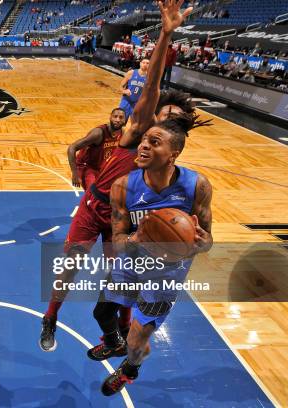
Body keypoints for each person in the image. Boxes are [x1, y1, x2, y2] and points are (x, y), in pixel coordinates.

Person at [39, 0, 196, 354]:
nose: (161, 118)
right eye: (161, 112)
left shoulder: (169, 161)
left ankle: (119, 336)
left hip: (122, 220)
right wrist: (165, 35)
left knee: (124, 280)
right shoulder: (137, 130)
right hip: (94, 206)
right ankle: (51, 317)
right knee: (70, 265)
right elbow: (152, 86)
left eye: (171, 120)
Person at [100, 114, 213, 396]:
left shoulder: (196, 186)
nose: (143, 146)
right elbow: (118, 239)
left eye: (154, 142)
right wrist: (137, 239)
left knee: (138, 344)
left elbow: (208, 240)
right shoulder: (123, 187)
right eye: (144, 140)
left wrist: (201, 242)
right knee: (101, 311)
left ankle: (130, 369)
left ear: (173, 154)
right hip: (131, 261)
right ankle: (115, 342)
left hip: (165, 275)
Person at [68, 109, 126, 191]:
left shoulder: (122, 133)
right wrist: (74, 174)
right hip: (86, 167)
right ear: (110, 117)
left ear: (125, 120)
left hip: (101, 168)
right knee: (93, 193)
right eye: (115, 116)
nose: (117, 120)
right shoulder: (98, 133)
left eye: (121, 117)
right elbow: (71, 148)